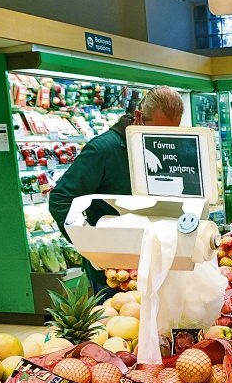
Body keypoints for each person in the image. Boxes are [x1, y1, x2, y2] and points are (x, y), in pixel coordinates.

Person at [49, 87, 185, 294]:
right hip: (114, 275)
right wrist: (91, 248)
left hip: (158, 263)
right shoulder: (103, 150)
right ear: (139, 117)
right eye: (157, 131)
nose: (163, 138)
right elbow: (60, 198)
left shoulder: (161, 148)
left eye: (171, 133)